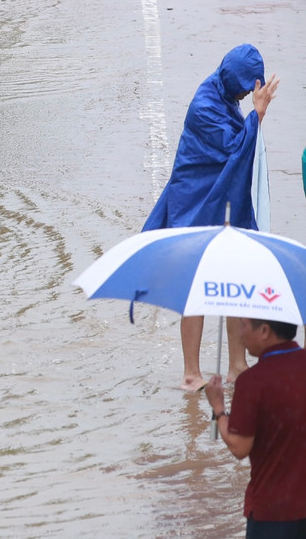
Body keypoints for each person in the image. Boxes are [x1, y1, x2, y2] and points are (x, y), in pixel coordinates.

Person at [145, 44, 280, 389]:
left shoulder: (224, 96)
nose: (247, 95)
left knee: (233, 284)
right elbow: (236, 149)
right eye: (246, 89)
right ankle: (191, 373)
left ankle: (237, 365)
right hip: (194, 205)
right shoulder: (205, 106)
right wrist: (258, 115)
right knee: (195, 288)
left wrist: (252, 114)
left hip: (221, 202)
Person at [203, 317, 306, 537]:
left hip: (274, 512)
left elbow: (239, 447)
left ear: (265, 331)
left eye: (244, 326)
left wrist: (219, 408)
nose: (240, 334)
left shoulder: (253, 381)